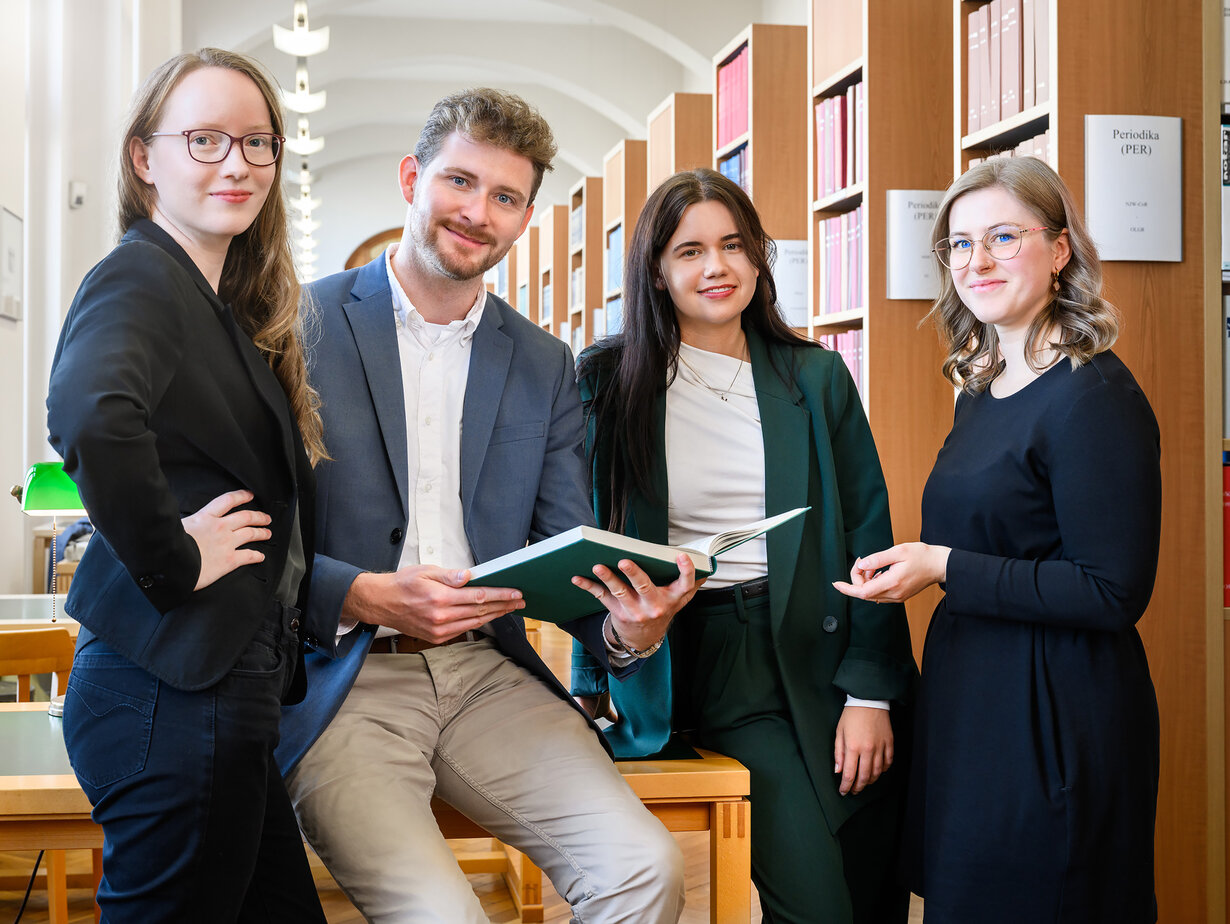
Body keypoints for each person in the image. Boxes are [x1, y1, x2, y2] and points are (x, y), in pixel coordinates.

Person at [275, 88, 696, 923]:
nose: (478, 213)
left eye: (505, 197)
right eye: (459, 182)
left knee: (645, 869)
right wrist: (356, 592)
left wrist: (626, 629)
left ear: (526, 216)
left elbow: (564, 551)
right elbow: (255, 537)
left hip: (486, 676)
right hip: (341, 679)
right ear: (411, 178)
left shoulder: (543, 362)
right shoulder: (297, 325)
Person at [571, 167, 918, 924]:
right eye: (689, 251)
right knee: (821, 904)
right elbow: (586, 535)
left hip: (812, 647)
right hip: (686, 651)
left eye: (733, 246)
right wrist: (590, 671)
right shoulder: (608, 380)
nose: (716, 267)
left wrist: (870, 692)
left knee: (864, 885)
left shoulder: (817, 377)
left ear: (759, 260)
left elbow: (870, 532)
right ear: (657, 273)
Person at [834, 156, 1161, 923]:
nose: (976, 262)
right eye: (958, 244)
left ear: (1060, 250)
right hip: (974, 704)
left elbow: (1113, 590)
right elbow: (1001, 536)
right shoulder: (985, 385)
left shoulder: (1094, 397)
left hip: (1054, 715)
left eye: (1003, 238)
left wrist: (940, 564)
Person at [46, 49, 327, 922]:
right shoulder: (142, 274)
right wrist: (172, 559)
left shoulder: (208, 296)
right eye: (204, 139)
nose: (236, 163)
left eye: (255, 142)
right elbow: (90, 416)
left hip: (213, 688)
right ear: (144, 159)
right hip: (172, 692)